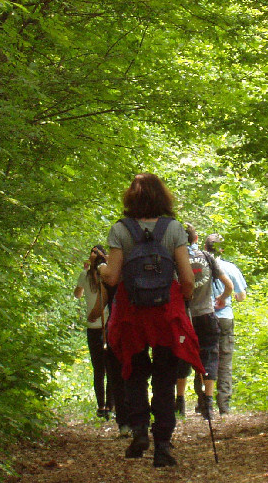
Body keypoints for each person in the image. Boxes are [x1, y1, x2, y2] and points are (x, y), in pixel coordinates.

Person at [98, 174, 202, 467]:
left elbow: (113, 277)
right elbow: (186, 279)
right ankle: (163, 446)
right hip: (165, 313)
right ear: (163, 197)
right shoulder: (173, 229)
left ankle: (140, 431)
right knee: (165, 378)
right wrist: (185, 302)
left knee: (133, 371)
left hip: (131, 313)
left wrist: (101, 269)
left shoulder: (120, 230)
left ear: (130, 198)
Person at [179, 224, 231, 421]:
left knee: (182, 355)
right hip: (207, 314)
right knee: (209, 354)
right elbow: (229, 285)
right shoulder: (207, 257)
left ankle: (180, 403)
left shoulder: (177, 259)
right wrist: (223, 298)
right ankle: (208, 404)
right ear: (196, 238)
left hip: (185, 316)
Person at [204, 233, 247, 415]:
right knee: (225, 360)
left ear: (206, 248)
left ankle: (205, 402)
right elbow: (241, 296)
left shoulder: (201, 266)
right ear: (222, 249)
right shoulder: (230, 268)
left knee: (205, 357)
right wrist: (229, 297)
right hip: (225, 317)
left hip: (205, 316)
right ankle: (224, 404)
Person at [73, 246, 115, 420]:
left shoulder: (93, 276)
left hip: (99, 327)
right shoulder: (97, 276)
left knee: (101, 369)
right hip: (103, 327)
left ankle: (104, 406)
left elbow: (77, 294)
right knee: (106, 368)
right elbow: (78, 294)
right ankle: (107, 406)